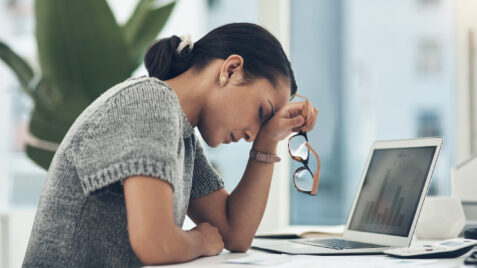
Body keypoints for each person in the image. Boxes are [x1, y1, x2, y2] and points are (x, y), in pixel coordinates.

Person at [22, 23, 318, 267]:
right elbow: (155, 243)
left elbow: (234, 234)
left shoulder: (183, 136)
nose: (252, 134)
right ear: (231, 70)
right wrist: (200, 239)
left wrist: (268, 140)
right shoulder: (151, 101)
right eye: (261, 113)